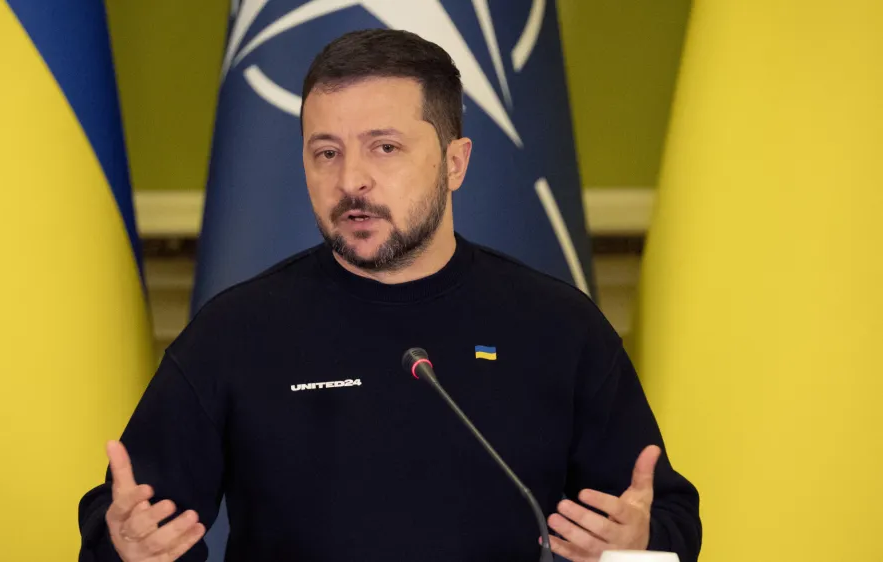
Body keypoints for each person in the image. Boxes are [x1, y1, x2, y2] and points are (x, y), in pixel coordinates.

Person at [77, 29, 702, 562]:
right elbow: (124, 518)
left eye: (385, 148)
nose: (351, 181)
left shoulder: (559, 328)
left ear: (455, 163)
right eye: (326, 153)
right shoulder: (236, 333)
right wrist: (122, 545)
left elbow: (666, 520)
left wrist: (635, 545)